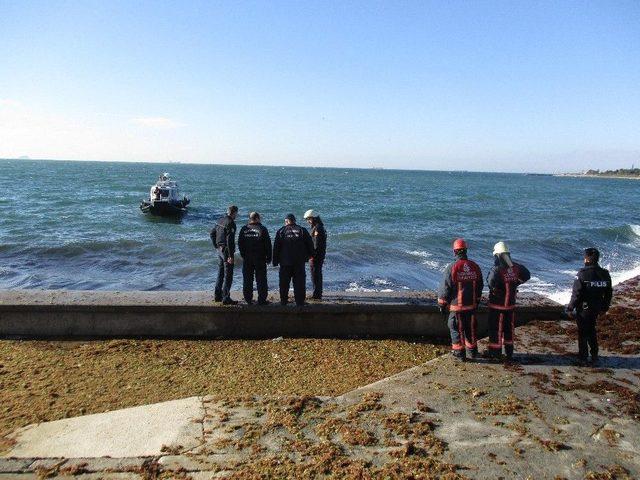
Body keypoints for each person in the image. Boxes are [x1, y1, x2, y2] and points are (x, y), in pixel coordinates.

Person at [438, 238, 483, 361]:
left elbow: (445, 288)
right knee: (471, 329)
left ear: (454, 252)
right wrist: (477, 301)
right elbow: (480, 286)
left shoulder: (451, 267)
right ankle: (473, 352)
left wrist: (442, 304)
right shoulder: (475, 266)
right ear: (466, 251)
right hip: (471, 307)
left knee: (455, 328)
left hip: (456, 308)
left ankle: (459, 354)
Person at [485, 241, 531, 361]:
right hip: (510, 306)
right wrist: (516, 283)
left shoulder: (496, 269)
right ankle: (509, 353)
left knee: (496, 329)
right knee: (509, 329)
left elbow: (490, 282)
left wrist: (497, 289)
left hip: (497, 306)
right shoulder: (516, 267)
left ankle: (495, 353)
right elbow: (527, 275)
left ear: (497, 255)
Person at [566, 247, 612, 365]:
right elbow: (608, 293)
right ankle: (594, 354)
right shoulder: (605, 274)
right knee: (591, 329)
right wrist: (604, 308)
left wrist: (570, 308)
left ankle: (583, 356)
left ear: (586, 259)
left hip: (584, 308)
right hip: (597, 307)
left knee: (583, 332)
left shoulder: (582, 274)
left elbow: (576, 294)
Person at [272, 213, 314, 306]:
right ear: (294, 221)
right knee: (299, 283)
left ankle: (283, 301)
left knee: (284, 283)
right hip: (299, 262)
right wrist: (311, 255)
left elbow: (276, 247)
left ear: (286, 221)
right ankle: (300, 302)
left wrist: (275, 261)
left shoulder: (281, 231)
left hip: (285, 262)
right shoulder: (302, 230)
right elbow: (310, 244)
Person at [238, 212, 272, 305]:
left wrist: (243, 254)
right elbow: (268, 244)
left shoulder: (244, 229)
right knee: (261, 280)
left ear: (250, 219)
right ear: (257, 218)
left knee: (247, 279)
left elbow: (240, 243)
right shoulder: (262, 229)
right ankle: (262, 300)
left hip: (247, 258)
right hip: (260, 258)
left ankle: (248, 299)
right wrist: (269, 257)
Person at [210, 205, 238, 305]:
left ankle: (217, 296)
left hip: (219, 250)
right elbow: (230, 241)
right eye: (236, 214)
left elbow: (212, 233)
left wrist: (216, 246)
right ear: (234, 213)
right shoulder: (231, 223)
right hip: (226, 251)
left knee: (220, 273)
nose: (236, 216)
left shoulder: (219, 220)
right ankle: (226, 297)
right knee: (228, 275)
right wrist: (230, 256)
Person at [303, 209, 327, 300]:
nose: (308, 221)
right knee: (317, 274)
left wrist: (312, 255)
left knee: (315, 275)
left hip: (316, 256)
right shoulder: (319, 226)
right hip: (319, 255)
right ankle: (318, 292)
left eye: (309, 219)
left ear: (313, 218)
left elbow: (316, 244)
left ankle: (316, 294)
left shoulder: (317, 228)